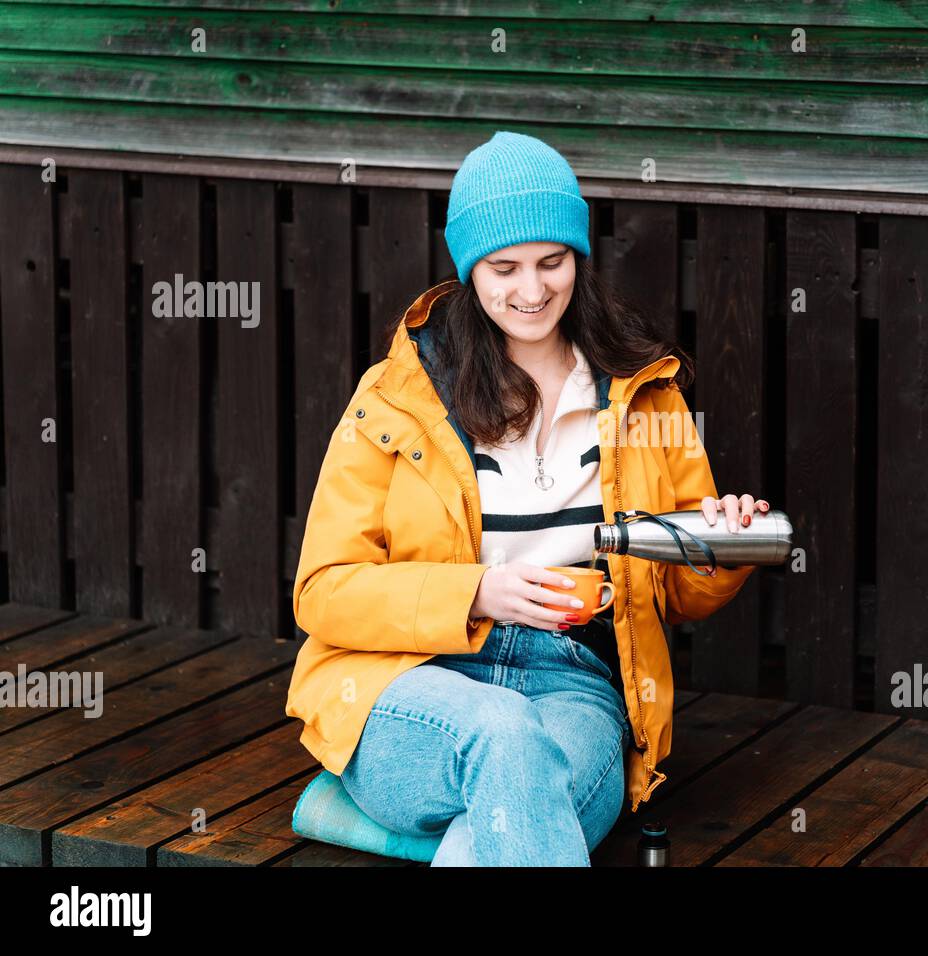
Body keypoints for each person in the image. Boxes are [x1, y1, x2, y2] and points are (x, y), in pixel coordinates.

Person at [285, 130, 768, 866]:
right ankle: (406, 823)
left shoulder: (645, 398)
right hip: (410, 681)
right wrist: (477, 593)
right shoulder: (394, 400)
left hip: (573, 684)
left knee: (497, 826)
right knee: (505, 738)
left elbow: (679, 596)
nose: (533, 290)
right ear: (468, 269)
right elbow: (322, 592)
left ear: (579, 257)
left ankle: (386, 828)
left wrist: (719, 545)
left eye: (553, 262)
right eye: (504, 268)